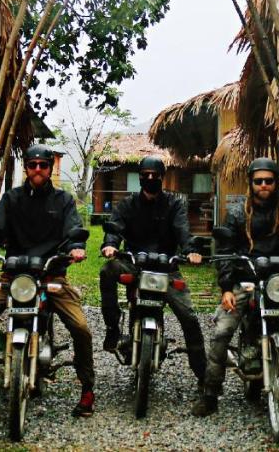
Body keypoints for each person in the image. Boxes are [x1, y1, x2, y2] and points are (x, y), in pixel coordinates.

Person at [0, 144, 97, 417]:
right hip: (14, 276)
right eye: (32, 165)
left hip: (51, 275)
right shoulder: (12, 199)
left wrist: (76, 247)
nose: (37, 170)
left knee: (82, 328)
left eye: (43, 165)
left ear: (50, 168)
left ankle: (87, 389)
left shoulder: (63, 200)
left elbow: (73, 228)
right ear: (25, 167)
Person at [192, 157, 279, 417]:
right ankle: (210, 394)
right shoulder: (236, 212)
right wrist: (227, 288)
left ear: (276, 183)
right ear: (250, 183)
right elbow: (227, 250)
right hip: (246, 279)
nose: (264, 185)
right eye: (258, 181)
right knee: (222, 332)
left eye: (269, 181)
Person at [99, 155, 207, 388]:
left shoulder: (174, 204)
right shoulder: (127, 204)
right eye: (145, 176)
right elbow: (115, 227)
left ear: (162, 178)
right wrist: (110, 244)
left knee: (189, 316)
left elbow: (183, 230)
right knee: (107, 270)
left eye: (154, 176)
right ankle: (112, 327)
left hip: (166, 268)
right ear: (139, 178)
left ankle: (203, 375)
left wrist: (191, 250)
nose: (150, 179)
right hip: (134, 264)